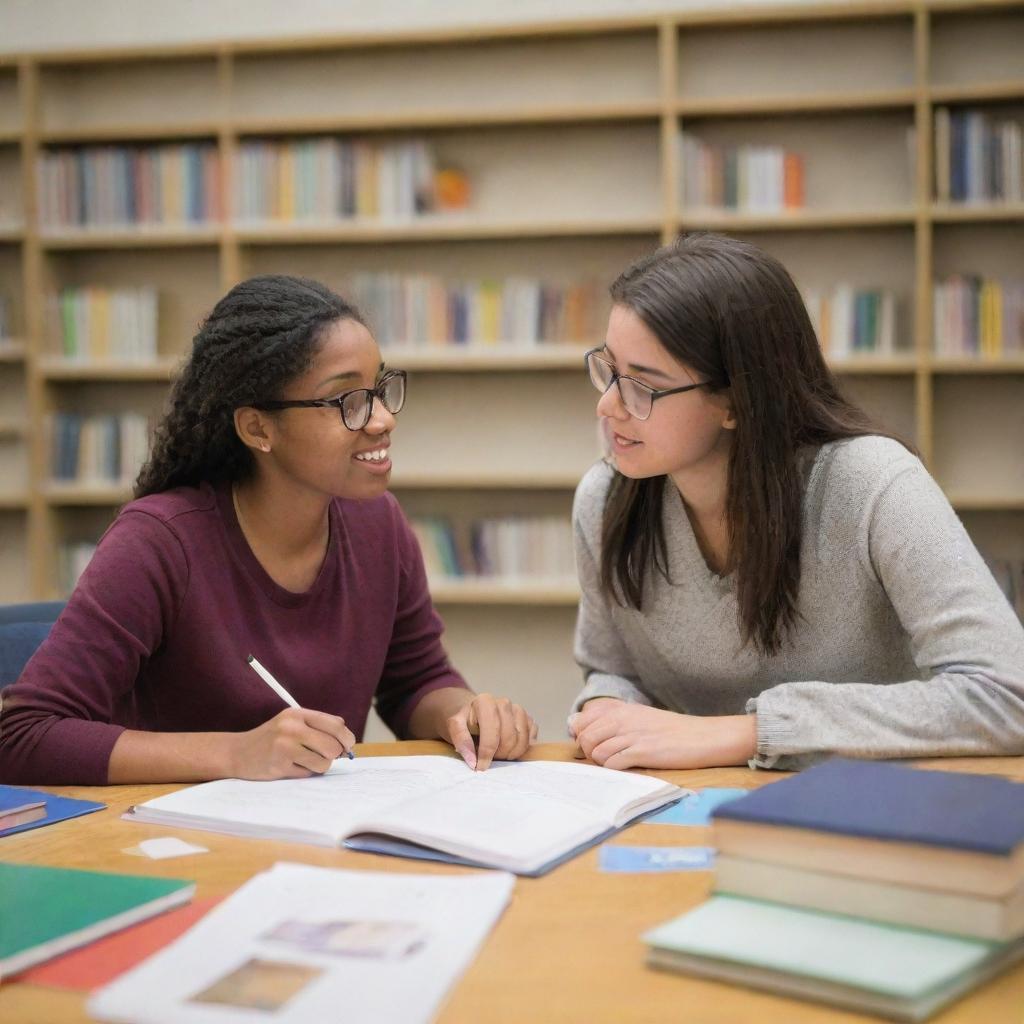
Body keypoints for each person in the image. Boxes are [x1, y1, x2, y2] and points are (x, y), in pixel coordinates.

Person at [0, 275, 536, 785]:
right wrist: (236, 753)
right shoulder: (159, 541)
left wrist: (464, 712)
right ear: (258, 427)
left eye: (380, 389)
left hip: (314, 841)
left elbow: (416, 682)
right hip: (175, 847)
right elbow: (20, 735)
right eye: (347, 400)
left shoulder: (380, 524)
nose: (382, 419)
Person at [569, 233, 1024, 773]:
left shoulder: (873, 483)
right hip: (685, 811)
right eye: (608, 369)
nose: (606, 406)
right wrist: (604, 706)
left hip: (870, 808)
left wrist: (750, 732)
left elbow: (1005, 693)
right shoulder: (605, 499)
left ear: (737, 402)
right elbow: (612, 670)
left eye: (642, 386)